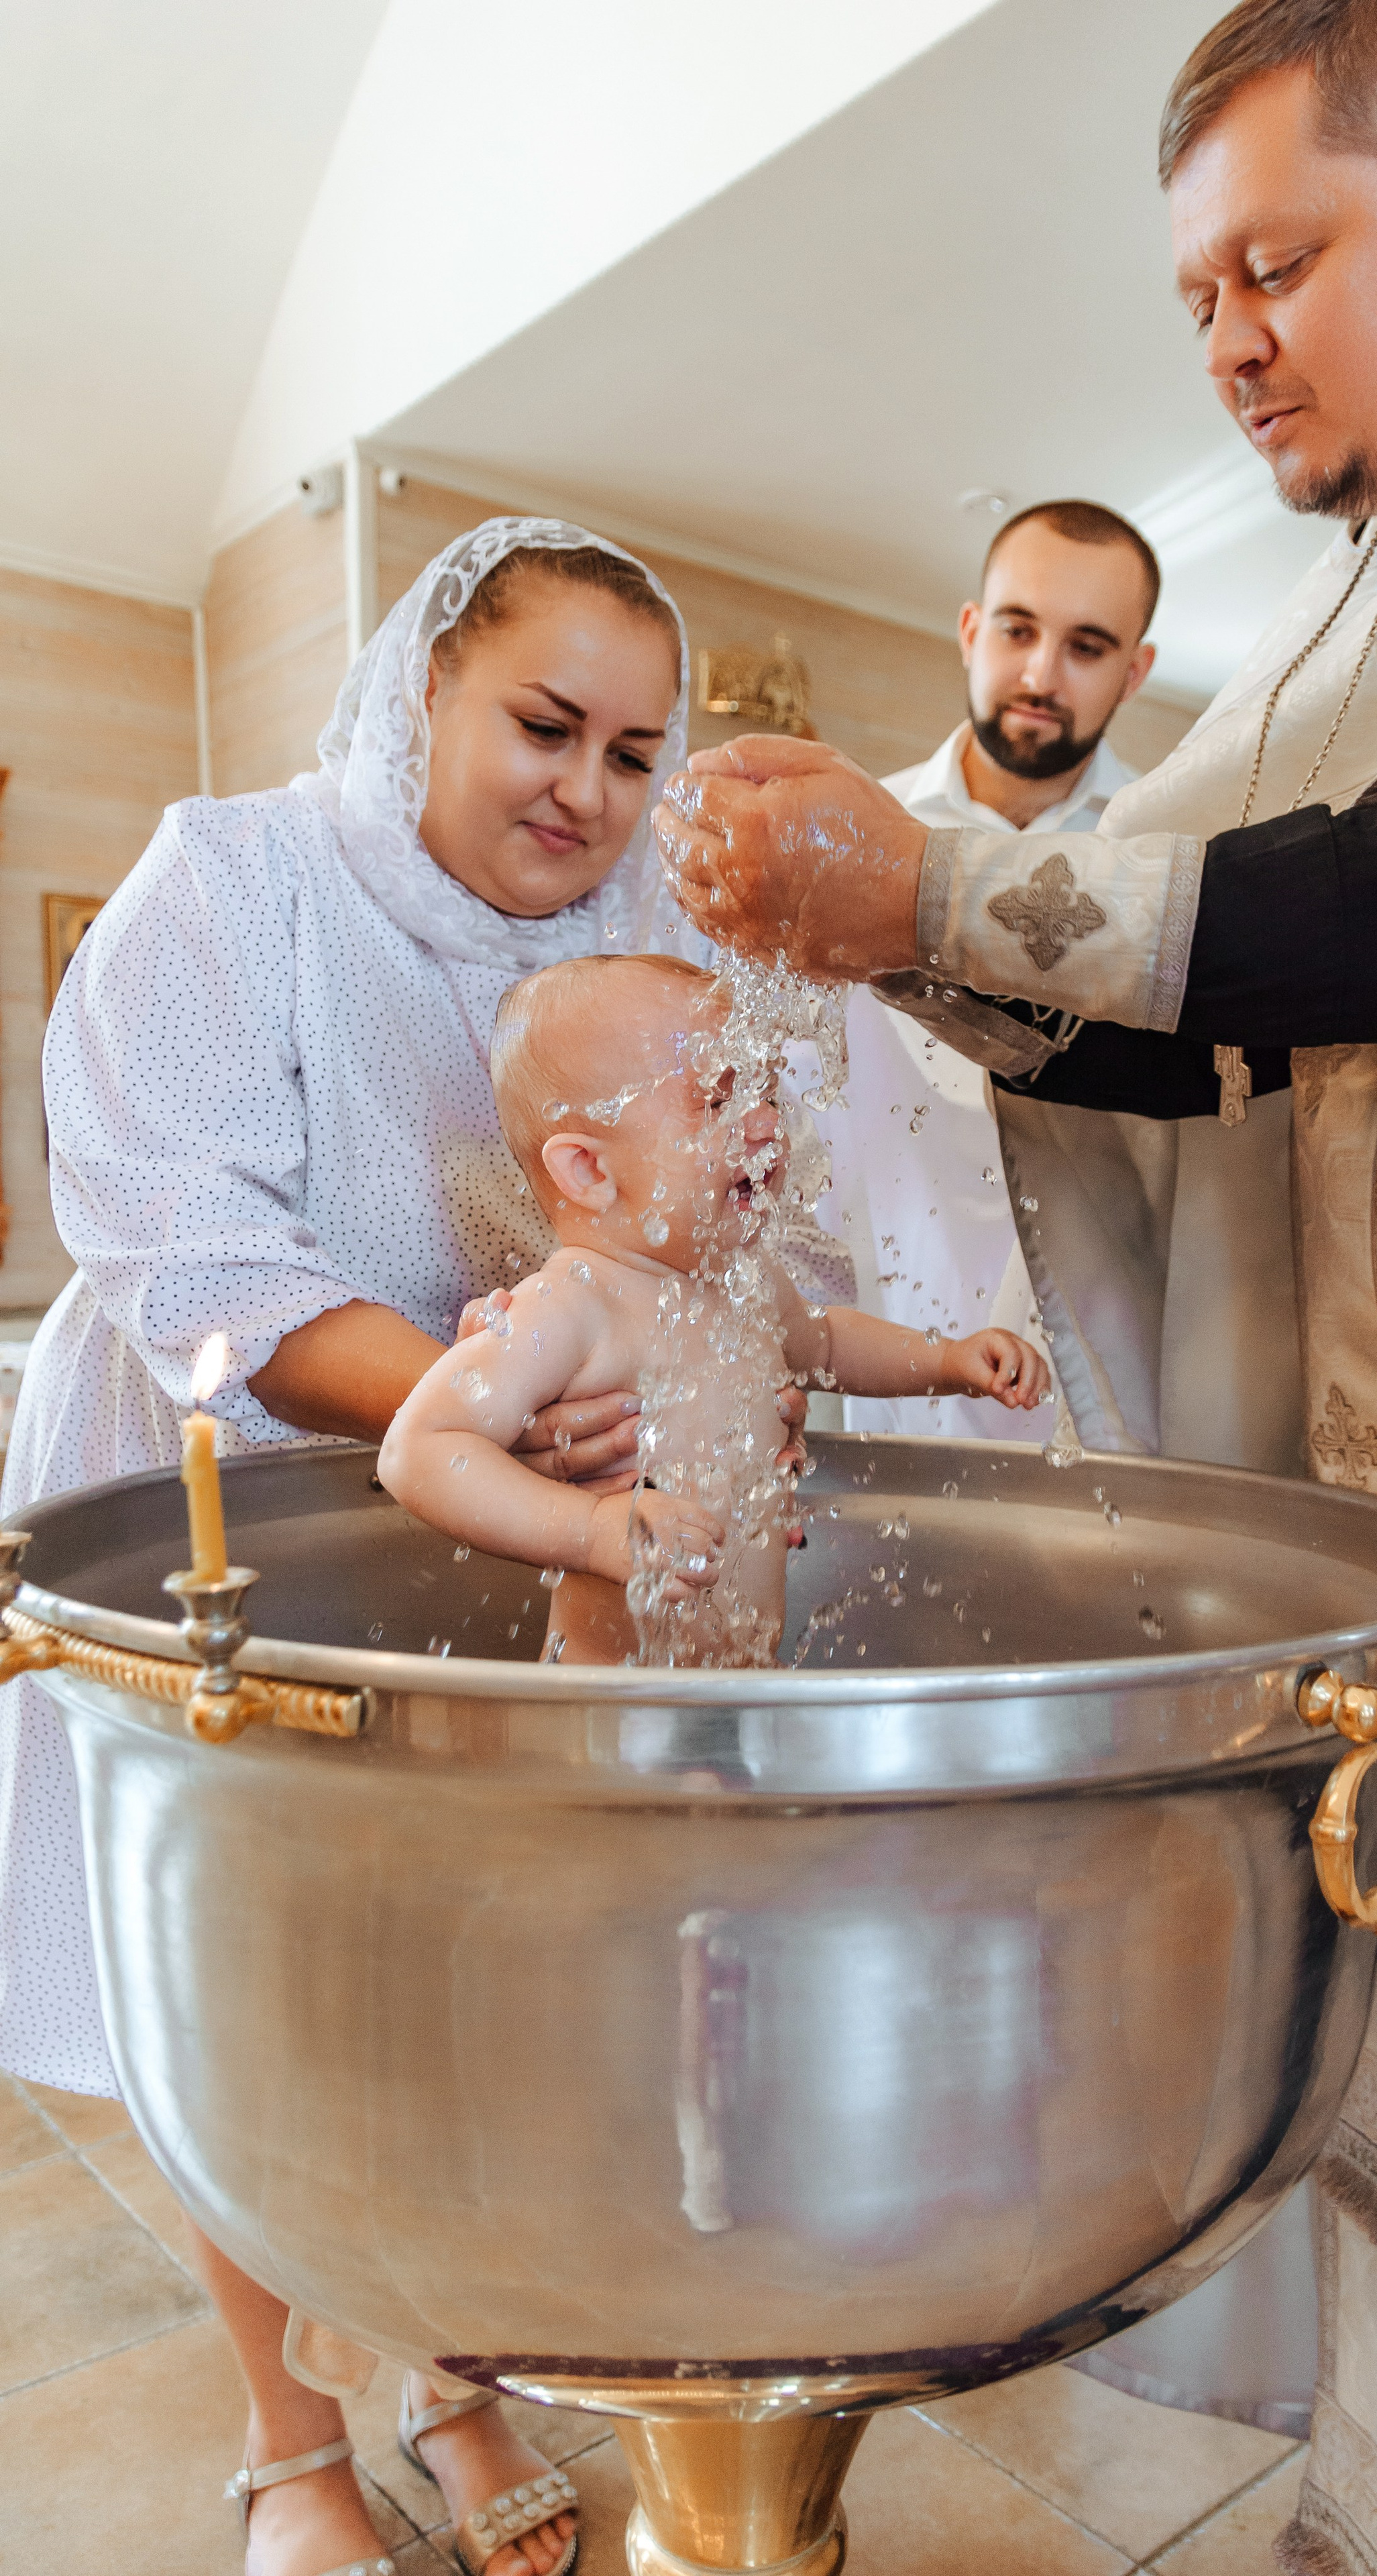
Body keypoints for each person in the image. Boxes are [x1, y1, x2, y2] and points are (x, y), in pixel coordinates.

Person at [649, 6, 1377, 2569]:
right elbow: (1194, 1038)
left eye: (1276, 260)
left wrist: (915, 893)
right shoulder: (1349, 619)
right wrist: (876, 934)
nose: (1225, 334)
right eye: (1192, 297)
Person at [0, 518, 729, 2576]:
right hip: (236, 1484)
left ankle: (457, 2371)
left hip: (508, 1512)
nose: (587, 792)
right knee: (249, 1986)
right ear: (423, 685)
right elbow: (180, 1222)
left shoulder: (636, 935)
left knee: (450, 1991)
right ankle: (286, 2429)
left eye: (633, 752)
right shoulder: (232, 880)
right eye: (542, 724)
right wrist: (482, 1401)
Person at [382, 955, 1048, 1663]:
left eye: (764, 1094)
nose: (764, 1124)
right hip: (606, 1711)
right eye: (715, 1100)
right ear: (590, 1171)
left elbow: (823, 1344)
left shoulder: (741, 1278)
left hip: (738, 1688)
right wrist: (595, 1530)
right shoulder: (571, 1308)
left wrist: (947, 1359)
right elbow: (418, 1451)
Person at [824, 500, 1159, 1442]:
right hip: (881, 1328)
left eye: (1088, 647)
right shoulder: (851, 839)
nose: (1041, 675)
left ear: (1136, 673)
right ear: (972, 630)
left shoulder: (1166, 863)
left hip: (1097, 1352)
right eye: (1019, 630)